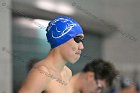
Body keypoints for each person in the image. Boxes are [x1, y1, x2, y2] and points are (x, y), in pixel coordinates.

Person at [18, 16, 84, 93]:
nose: (81, 47)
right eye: (77, 39)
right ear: (60, 39)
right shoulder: (42, 73)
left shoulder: (67, 73)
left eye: (82, 41)